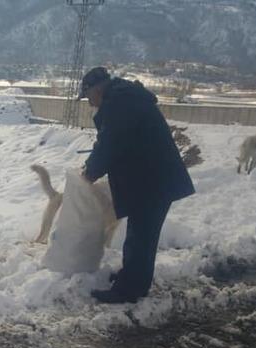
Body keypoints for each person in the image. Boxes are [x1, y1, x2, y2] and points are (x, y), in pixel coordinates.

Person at [79, 67, 195, 304]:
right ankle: (132, 279)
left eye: (88, 96)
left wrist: (89, 173)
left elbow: (109, 144)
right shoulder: (124, 98)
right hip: (153, 177)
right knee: (141, 233)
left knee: (141, 235)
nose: (90, 103)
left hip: (154, 179)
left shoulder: (119, 104)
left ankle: (128, 290)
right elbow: (114, 141)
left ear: (96, 88)